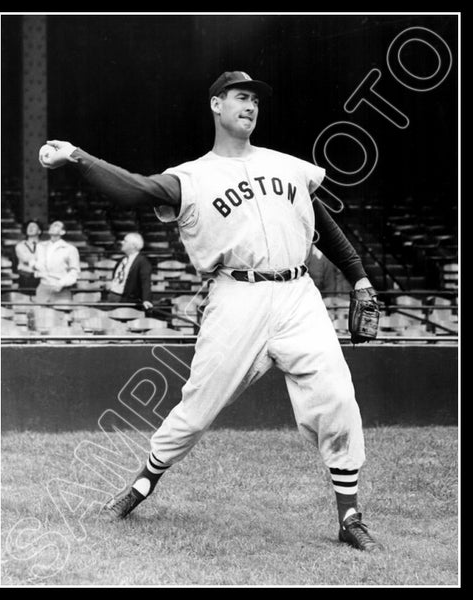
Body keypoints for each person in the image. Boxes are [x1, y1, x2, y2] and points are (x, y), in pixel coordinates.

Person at [39, 71, 382, 552]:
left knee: (339, 399)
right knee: (196, 410)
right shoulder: (193, 176)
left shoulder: (288, 166)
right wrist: (78, 156)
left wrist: (359, 276)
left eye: (256, 99)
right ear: (216, 105)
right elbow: (135, 190)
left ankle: (349, 517)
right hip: (235, 296)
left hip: (297, 294)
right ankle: (141, 485)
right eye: (241, 96)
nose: (251, 105)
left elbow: (323, 225)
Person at [33, 220, 81, 303]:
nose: (52, 226)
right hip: (43, 287)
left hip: (61, 289)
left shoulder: (70, 249)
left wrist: (61, 283)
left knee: (61, 314)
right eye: (52, 225)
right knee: (40, 313)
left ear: (62, 232)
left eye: (57, 225)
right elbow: (34, 263)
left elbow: (75, 271)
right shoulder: (40, 246)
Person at [106, 232, 153, 311]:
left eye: (125, 241)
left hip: (125, 300)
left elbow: (145, 282)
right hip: (113, 296)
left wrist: (146, 299)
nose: (122, 242)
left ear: (133, 246)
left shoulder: (142, 262)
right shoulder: (121, 260)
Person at [14, 219, 43, 291]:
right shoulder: (20, 245)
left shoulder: (45, 245)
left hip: (42, 278)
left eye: (33, 226)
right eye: (28, 226)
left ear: (39, 231)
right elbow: (26, 260)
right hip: (25, 277)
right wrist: (39, 261)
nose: (30, 228)